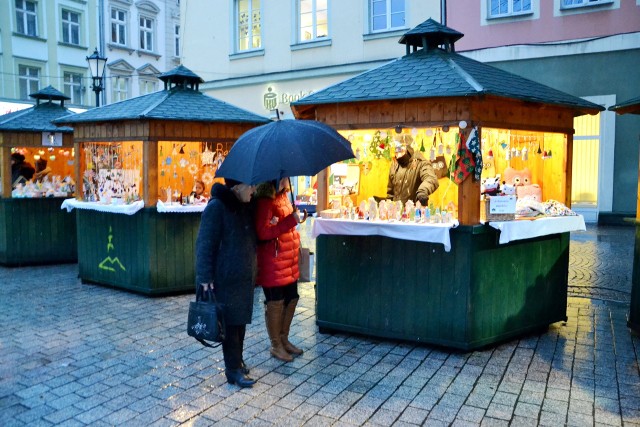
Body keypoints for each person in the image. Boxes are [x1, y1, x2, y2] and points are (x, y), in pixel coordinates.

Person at [195, 178, 257, 388]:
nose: (254, 189)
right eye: (251, 185)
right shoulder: (217, 207)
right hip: (225, 278)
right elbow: (205, 245)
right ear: (238, 187)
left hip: (242, 278)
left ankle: (237, 360)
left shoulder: (244, 206)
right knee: (229, 325)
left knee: (239, 323)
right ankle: (233, 370)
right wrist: (205, 279)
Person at [253, 178, 307, 362]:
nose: (287, 179)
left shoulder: (284, 196)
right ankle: (276, 345)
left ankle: (284, 339)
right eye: (284, 177)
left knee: (292, 298)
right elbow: (262, 232)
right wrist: (290, 221)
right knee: (275, 302)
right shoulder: (264, 200)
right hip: (273, 261)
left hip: (288, 259)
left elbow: (285, 223)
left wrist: (297, 217)